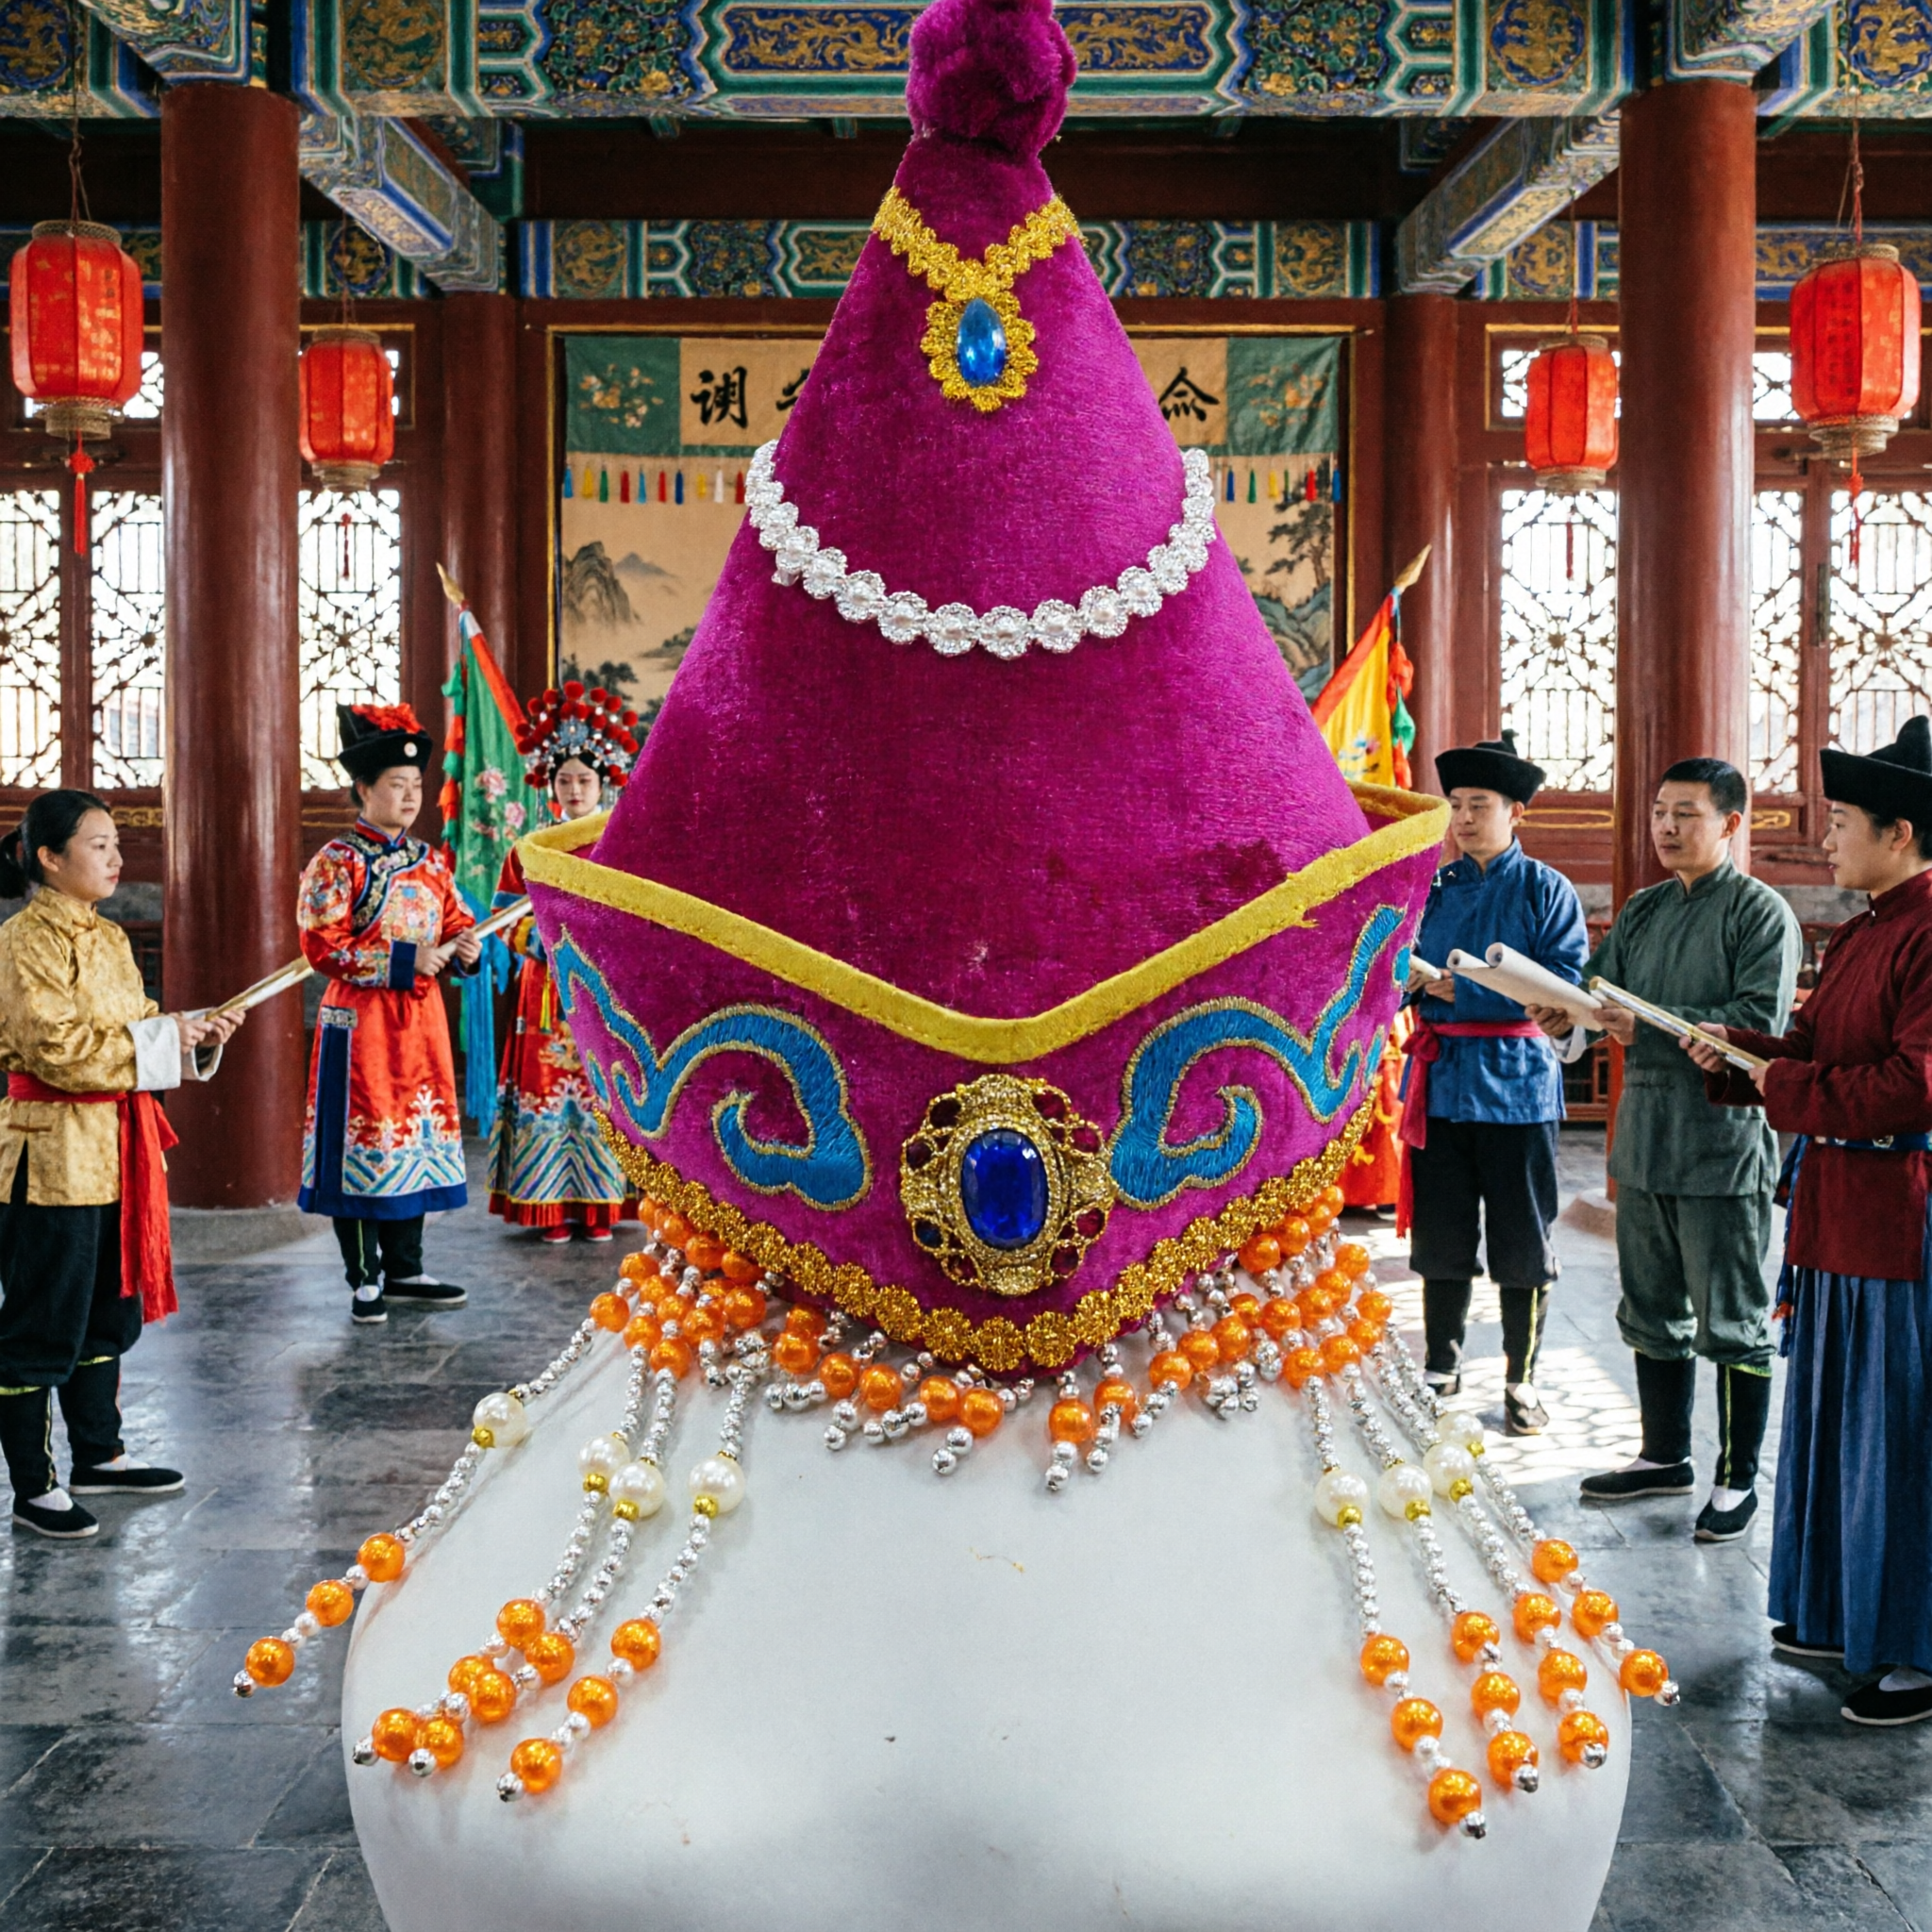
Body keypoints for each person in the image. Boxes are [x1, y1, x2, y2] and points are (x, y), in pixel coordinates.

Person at [1689, 716, 1932, 1726]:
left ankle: (1913, 1650)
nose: (1826, 838)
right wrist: (1735, 1050)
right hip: (1833, 1214)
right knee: (1837, 1427)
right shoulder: (1864, 922)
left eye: (1842, 822)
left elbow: (1907, 1087)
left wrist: (1778, 1077)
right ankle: (1840, 1612)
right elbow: (1812, 1048)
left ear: (1902, 830)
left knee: (1899, 1438)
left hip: (1893, 1219)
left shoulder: (1926, 929)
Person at [1527, 758, 1800, 1542]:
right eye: (1658, 812)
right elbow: (1598, 993)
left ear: (1731, 825)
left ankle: (1737, 1476)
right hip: (1644, 1140)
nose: (1667, 828)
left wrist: (1639, 1023)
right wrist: (1567, 1016)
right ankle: (1664, 1455)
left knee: (1731, 1317)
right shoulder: (1644, 911)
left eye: (1686, 813)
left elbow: (1754, 1020)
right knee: (1650, 1308)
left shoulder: (1759, 914)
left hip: (1720, 1145)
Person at [0, 791, 242, 1539]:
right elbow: (58, 1053)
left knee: (108, 1311)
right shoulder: (21, 943)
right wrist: (162, 1039)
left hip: (117, 1150)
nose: (115, 858)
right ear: (49, 857)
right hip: (51, 1157)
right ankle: (34, 1485)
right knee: (44, 1321)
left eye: (115, 845)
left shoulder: (106, 941)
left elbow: (136, 1035)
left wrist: (191, 1034)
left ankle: (97, 1455)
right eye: (99, 845)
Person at [1402, 730, 1589, 1434]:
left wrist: (1459, 992)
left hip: (1518, 1085)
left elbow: (1564, 991)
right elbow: (1396, 973)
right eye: (1455, 805)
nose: (1465, 819)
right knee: (1442, 1234)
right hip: (1442, 1081)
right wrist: (1412, 986)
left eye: (1480, 804)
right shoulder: (1433, 889)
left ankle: (1522, 1377)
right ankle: (1440, 1366)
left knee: (1523, 1238)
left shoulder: (1549, 892)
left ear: (1517, 812)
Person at [298, 705, 481, 1324]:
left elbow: (456, 923)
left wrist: (465, 948)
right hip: (362, 1027)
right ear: (364, 789)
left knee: (414, 1140)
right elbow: (323, 945)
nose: (409, 796)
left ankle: (407, 1267)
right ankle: (365, 1275)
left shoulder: (432, 862)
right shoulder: (335, 861)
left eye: (415, 786)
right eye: (395, 786)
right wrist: (408, 960)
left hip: (420, 1028)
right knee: (361, 1144)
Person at [490, 684, 640, 1241]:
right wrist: (546, 942)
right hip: (546, 988)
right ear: (550, 785)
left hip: (603, 988)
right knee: (547, 1089)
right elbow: (504, 919)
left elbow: (636, 915)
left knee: (605, 1089)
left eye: (584, 779)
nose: (574, 790)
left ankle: (602, 1207)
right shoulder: (530, 847)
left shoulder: (621, 842)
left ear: (602, 783)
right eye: (565, 780)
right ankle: (547, 1206)